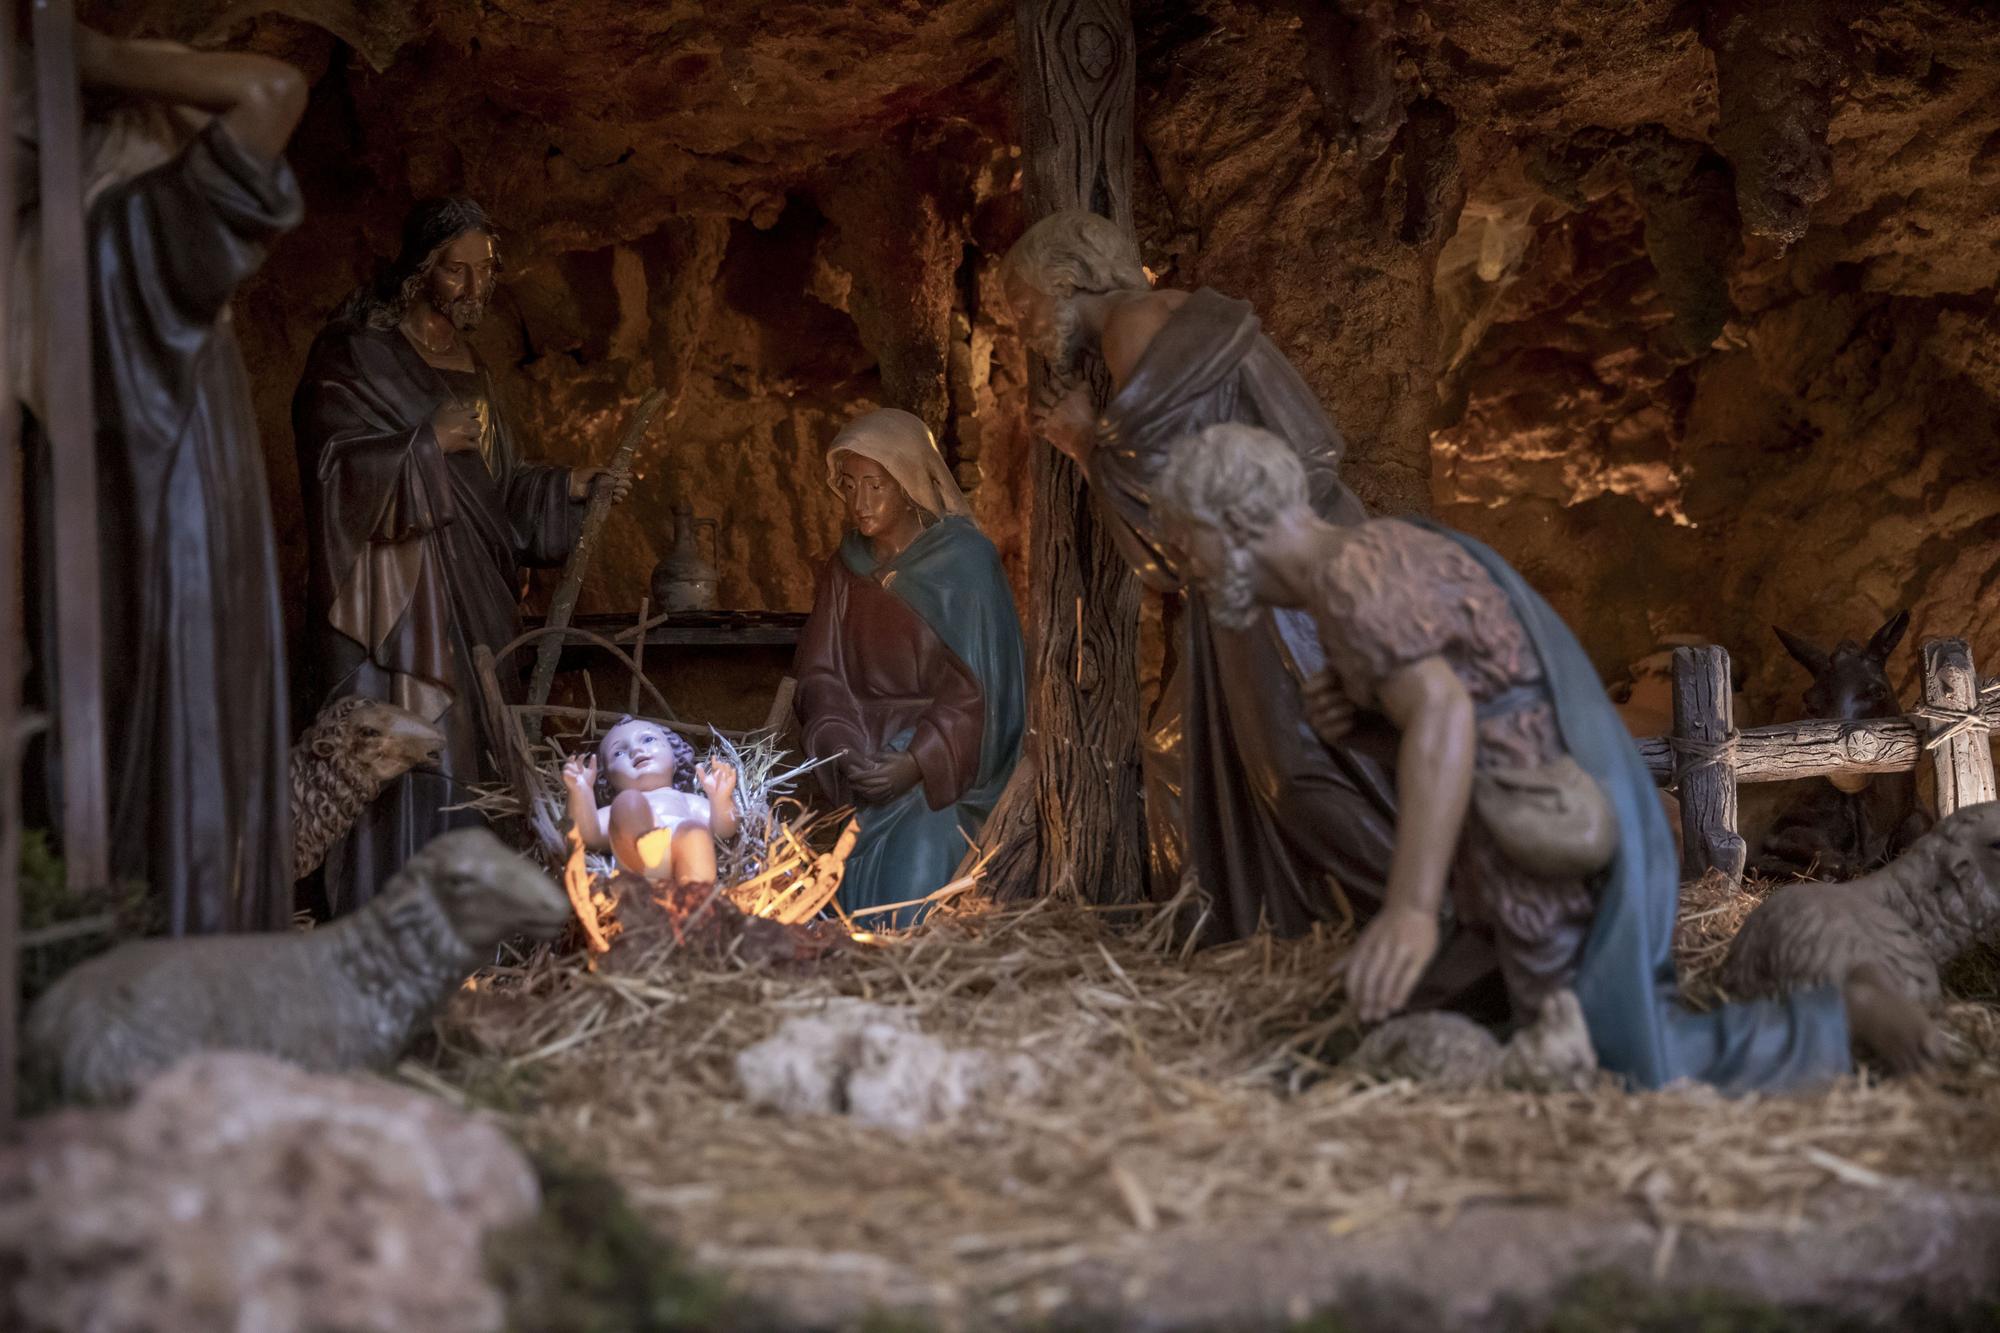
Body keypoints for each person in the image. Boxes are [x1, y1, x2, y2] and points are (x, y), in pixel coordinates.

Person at [1150, 422, 1931, 1089]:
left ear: (1233, 521)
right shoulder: (1371, 559)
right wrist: (1366, 732)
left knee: (1637, 1064)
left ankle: (1841, 1020)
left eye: (1189, 548)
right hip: (1499, 848)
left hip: (1546, 845)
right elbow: (1481, 701)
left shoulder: (1354, 585)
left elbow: (1452, 717)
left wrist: (1412, 908)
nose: (1191, 571)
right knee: (1391, 1015)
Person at [999, 211, 1495, 997]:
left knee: (1294, 770)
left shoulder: (1131, 334)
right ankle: (1311, 929)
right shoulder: (1195, 313)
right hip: (1314, 539)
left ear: (1067, 284)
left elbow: (1169, 536)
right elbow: (1302, 442)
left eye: (1021, 308)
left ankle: (1414, 914)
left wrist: (1085, 442)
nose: (1022, 331)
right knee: (1200, 747)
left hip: (1263, 581)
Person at [15, 26, 307, 933]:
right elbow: (272, 90)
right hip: (175, 504)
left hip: (129, 499)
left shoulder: (113, 229)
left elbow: (268, 91)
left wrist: (92, 61)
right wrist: (96, 60)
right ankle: (180, 925)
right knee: (180, 715)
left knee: (129, 708)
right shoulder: (133, 224)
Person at [292, 197, 628, 914]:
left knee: (472, 748)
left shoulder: (473, 364)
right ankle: (394, 907)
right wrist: (419, 445)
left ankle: (472, 910)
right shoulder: (356, 354)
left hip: (474, 596)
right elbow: (329, 466)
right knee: (411, 740)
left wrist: (563, 487)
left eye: (486, 271)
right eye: (457, 271)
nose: (475, 288)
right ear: (419, 271)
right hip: (400, 601)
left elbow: (495, 490)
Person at [792, 409, 1026, 928]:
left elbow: (982, 690)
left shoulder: (966, 562)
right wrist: (843, 746)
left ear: (908, 485)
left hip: (946, 773)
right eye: (849, 486)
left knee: (913, 871)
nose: (860, 503)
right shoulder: (846, 568)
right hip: (864, 758)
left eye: (875, 486)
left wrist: (916, 761)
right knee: (831, 870)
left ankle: (906, 967)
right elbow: (821, 675)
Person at [563, 717, 738, 887]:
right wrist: (581, 792)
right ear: (607, 778)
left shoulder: (685, 800)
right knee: (629, 803)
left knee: (695, 832)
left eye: (648, 739)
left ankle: (695, 898)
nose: (636, 750)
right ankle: (650, 874)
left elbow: (723, 830)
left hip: (680, 855)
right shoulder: (615, 809)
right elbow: (588, 835)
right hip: (638, 861)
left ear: (675, 756)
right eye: (619, 753)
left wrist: (721, 799)